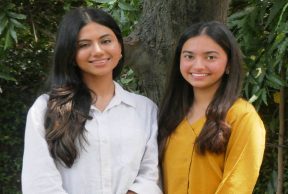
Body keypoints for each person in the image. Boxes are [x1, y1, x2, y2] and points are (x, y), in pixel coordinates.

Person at [22, 7, 162, 194]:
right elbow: (39, 184)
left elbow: (150, 176)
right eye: (84, 45)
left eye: (105, 41)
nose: (97, 51)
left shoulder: (145, 109)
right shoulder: (45, 109)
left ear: (120, 47)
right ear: (70, 54)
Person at [158, 21, 266, 194]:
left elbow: (236, 186)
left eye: (210, 57)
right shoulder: (170, 113)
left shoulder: (241, 116)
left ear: (229, 64)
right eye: (189, 56)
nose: (198, 65)